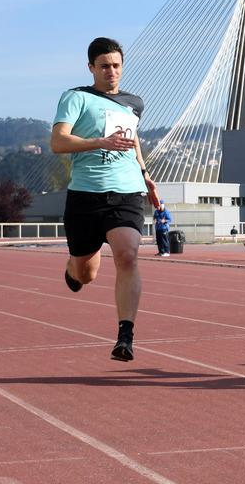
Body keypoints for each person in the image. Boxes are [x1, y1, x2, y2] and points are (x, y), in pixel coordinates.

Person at [51, 37, 161, 362]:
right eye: (104, 66)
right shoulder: (76, 97)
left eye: (116, 65)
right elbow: (58, 142)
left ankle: (125, 335)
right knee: (87, 274)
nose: (111, 71)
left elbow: (132, 138)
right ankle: (73, 268)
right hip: (86, 194)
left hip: (126, 191)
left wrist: (145, 174)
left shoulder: (135, 103)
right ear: (91, 68)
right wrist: (99, 142)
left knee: (128, 255)